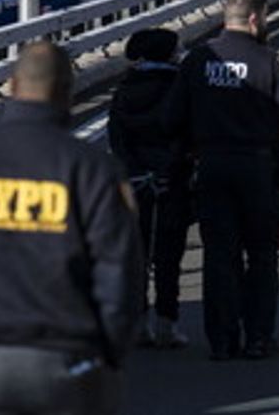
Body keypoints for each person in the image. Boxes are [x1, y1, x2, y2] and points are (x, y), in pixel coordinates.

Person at [0, 42, 142, 415]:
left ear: (12, 85)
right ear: (67, 93)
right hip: (67, 358)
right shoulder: (91, 169)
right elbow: (119, 272)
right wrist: (108, 351)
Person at [163, 0, 279, 361]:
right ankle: (258, 337)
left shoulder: (197, 60)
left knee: (219, 255)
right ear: (256, 19)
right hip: (258, 168)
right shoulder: (268, 61)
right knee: (261, 254)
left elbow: (171, 118)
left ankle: (222, 340)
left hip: (211, 166)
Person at [108, 28, 191, 350]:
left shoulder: (125, 89)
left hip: (134, 181)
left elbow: (117, 136)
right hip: (172, 179)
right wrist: (168, 169)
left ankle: (138, 323)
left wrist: (135, 171)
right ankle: (167, 323)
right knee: (169, 254)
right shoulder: (179, 86)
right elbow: (184, 133)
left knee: (137, 253)